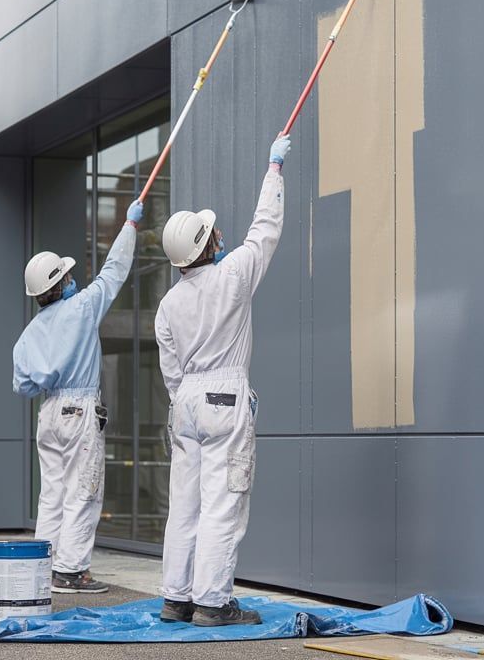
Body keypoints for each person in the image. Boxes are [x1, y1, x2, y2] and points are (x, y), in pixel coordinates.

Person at [155, 133, 290, 627]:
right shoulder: (233, 275)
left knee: (184, 505)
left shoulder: (168, 304)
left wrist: (185, 399)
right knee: (222, 503)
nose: (218, 236)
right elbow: (265, 231)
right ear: (204, 246)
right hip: (224, 395)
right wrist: (273, 172)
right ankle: (212, 602)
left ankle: (176, 598)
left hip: (185, 402)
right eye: (211, 234)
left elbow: (171, 369)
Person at [13, 198, 145, 594]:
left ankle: (46, 566)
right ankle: (71, 572)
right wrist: (129, 227)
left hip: (49, 411)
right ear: (59, 284)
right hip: (79, 409)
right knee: (83, 491)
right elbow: (114, 272)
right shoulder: (83, 308)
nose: (73, 278)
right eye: (67, 275)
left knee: (52, 493)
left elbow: (23, 385)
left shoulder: (29, 334)